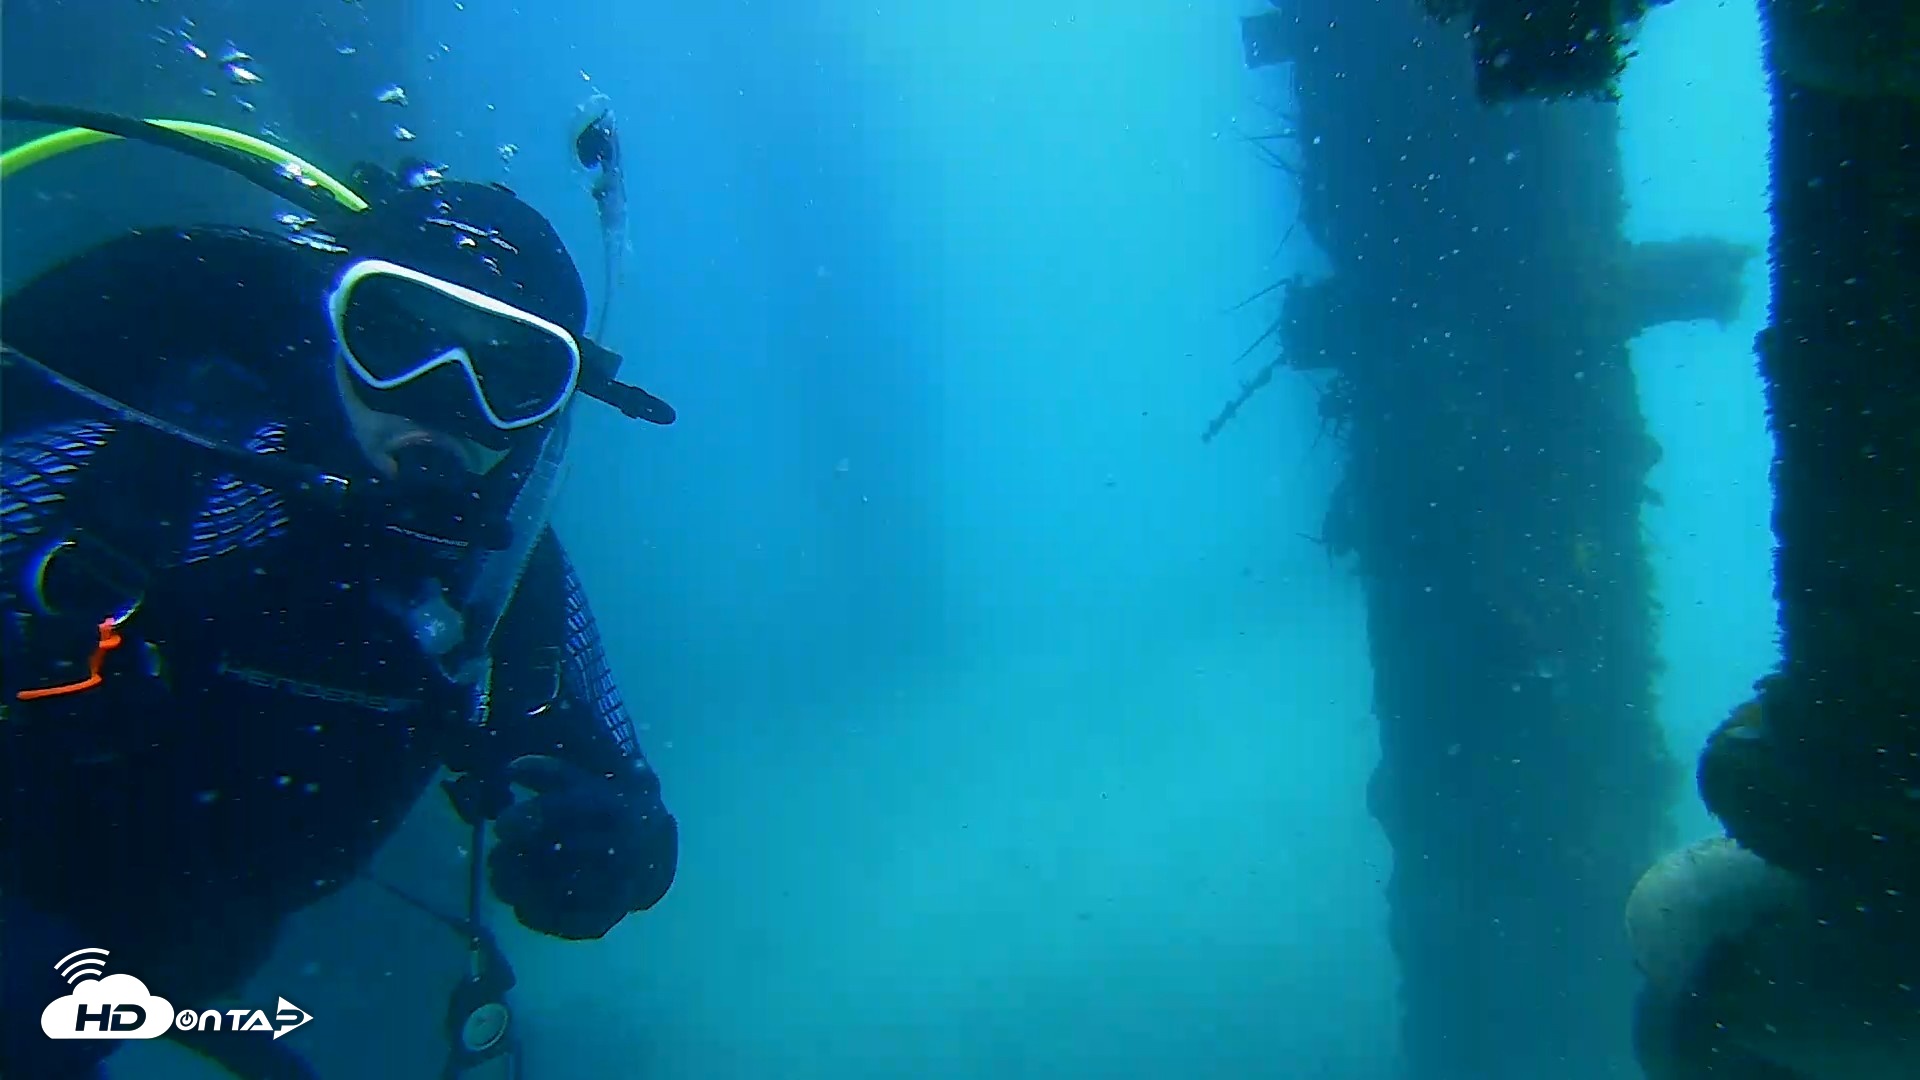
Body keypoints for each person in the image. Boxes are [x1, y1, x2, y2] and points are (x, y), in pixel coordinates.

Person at [0, 101, 680, 1079]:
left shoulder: (503, 576)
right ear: (331, 323)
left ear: (548, 411)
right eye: (397, 336)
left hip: (180, 959)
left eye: (508, 374)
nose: (446, 403)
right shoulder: (153, 487)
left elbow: (618, 787)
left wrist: (612, 849)